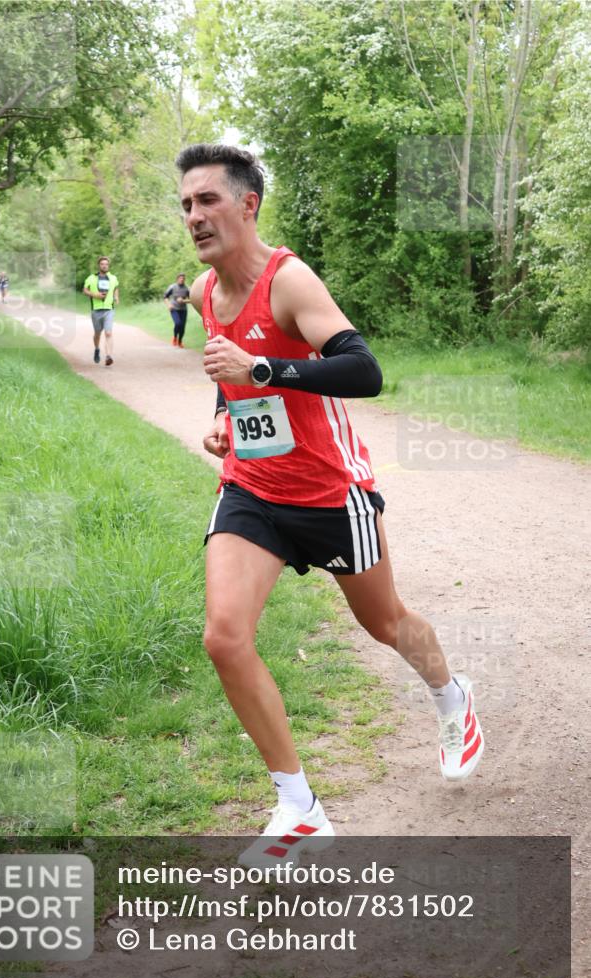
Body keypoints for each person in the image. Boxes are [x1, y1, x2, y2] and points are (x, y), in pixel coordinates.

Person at [176, 143, 485, 869]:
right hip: (252, 491)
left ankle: (449, 694)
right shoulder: (201, 293)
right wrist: (227, 413)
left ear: (247, 204)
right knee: (223, 637)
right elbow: (231, 378)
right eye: (185, 204)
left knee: (385, 623)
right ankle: (298, 807)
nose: (193, 215)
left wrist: (266, 368)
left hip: (328, 492)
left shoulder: (288, 281)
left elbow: (364, 370)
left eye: (207, 200)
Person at [83, 256, 119, 366]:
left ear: (108, 265)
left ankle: (108, 356)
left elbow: (116, 287)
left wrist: (116, 297)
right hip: (96, 309)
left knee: (108, 333)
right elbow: (85, 290)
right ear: (99, 265)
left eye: (106, 264)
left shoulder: (113, 278)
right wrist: (95, 295)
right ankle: (97, 349)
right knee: (97, 333)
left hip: (109, 309)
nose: (104, 266)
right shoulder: (91, 278)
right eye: (102, 264)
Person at [163, 272, 190, 347]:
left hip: (183, 309)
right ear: (177, 279)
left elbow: (192, 299)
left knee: (183, 327)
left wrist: (184, 301)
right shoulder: (172, 287)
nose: (182, 279)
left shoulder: (187, 288)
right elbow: (165, 297)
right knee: (178, 323)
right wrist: (169, 305)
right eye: (180, 278)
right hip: (174, 308)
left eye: (183, 278)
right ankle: (175, 337)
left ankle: (180, 341)